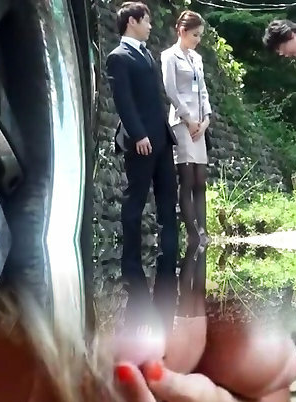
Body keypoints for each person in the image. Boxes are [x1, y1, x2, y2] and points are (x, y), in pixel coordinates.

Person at [106, 2, 178, 282]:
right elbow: (123, 101)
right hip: (141, 140)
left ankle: (169, 263)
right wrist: (138, 134)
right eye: (146, 20)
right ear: (132, 22)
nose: (150, 26)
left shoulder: (146, 54)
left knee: (168, 197)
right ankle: (131, 266)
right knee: (135, 198)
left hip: (161, 138)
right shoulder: (118, 57)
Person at [161, 11, 211, 244]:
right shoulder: (169, 56)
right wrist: (188, 119)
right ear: (182, 31)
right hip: (182, 123)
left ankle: (204, 230)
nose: (197, 39)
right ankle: (193, 233)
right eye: (194, 35)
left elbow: (203, 91)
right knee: (188, 178)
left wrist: (206, 119)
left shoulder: (197, 59)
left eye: (200, 35)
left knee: (201, 179)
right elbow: (170, 90)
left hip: (200, 124)